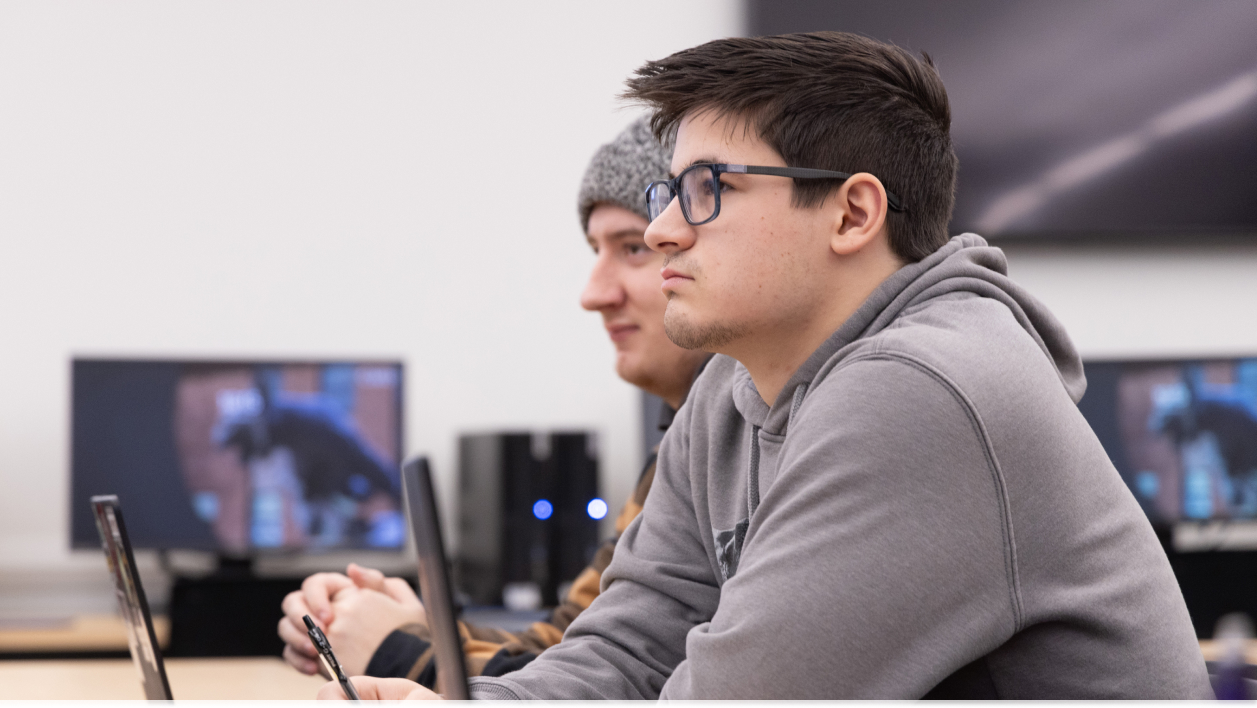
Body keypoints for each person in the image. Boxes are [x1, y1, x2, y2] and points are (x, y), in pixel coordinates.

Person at [320, 32, 1213, 699]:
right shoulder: (730, 388)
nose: (663, 229)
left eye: (706, 190)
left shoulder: (925, 393)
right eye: (669, 193)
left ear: (852, 214)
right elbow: (626, 654)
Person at [277, 118, 709, 685]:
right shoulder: (682, 445)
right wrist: (419, 629)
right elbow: (571, 647)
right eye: (596, 250)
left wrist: (394, 651)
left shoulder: (740, 450)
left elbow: (611, 684)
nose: (592, 294)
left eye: (632, 247)